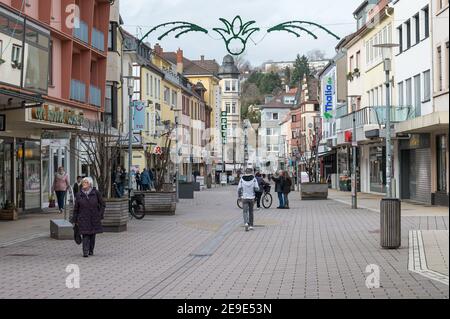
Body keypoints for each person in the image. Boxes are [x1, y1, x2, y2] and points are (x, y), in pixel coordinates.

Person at [72, 177, 105, 258]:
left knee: (92, 235)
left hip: (94, 217)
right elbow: (76, 208)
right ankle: (85, 251)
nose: (84, 184)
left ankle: (91, 250)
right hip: (83, 218)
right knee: (85, 234)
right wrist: (75, 219)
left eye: (86, 182)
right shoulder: (79, 194)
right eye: (83, 182)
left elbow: (103, 204)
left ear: (90, 184)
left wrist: (99, 214)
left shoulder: (96, 193)